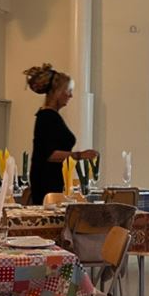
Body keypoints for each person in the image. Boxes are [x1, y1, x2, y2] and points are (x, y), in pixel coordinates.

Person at [26, 63, 98, 204]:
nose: (71, 95)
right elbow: (49, 154)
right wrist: (80, 155)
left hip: (55, 177)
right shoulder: (47, 117)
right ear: (58, 92)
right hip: (47, 181)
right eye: (68, 90)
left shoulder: (51, 116)